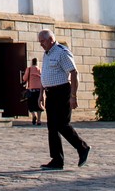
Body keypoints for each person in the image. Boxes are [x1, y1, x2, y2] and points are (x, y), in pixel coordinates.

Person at [35, 28, 90, 170]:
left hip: (62, 92)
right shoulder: (46, 54)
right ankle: (57, 160)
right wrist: (41, 94)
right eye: (40, 41)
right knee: (52, 127)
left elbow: (73, 72)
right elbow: (45, 75)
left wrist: (73, 96)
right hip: (50, 93)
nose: (41, 44)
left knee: (62, 124)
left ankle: (82, 147)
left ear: (50, 39)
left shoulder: (61, 52)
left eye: (42, 41)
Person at [20, 57, 43, 126]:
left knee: (30, 105)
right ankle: (39, 120)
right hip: (39, 90)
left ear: (31, 62)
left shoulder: (29, 69)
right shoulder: (40, 70)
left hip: (31, 90)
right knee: (39, 105)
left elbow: (24, 78)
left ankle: (33, 115)